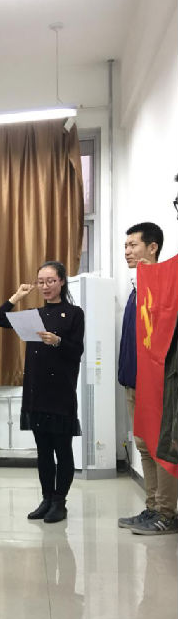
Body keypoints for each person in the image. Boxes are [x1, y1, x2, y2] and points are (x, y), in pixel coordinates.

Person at [0, 261, 85, 523]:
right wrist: (16, 297)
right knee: (43, 450)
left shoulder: (74, 313)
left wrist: (58, 341)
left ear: (62, 281)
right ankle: (46, 498)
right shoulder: (33, 315)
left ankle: (59, 502)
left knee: (62, 449)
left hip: (61, 391)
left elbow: (77, 351)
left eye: (51, 281)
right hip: (36, 390)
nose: (45, 286)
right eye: (41, 281)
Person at [117, 223, 178, 535]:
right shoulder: (136, 287)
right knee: (143, 445)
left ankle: (167, 513)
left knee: (160, 447)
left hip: (156, 385)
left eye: (133, 245)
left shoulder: (164, 288)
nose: (127, 251)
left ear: (152, 247)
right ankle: (152, 506)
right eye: (125, 246)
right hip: (133, 382)